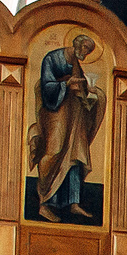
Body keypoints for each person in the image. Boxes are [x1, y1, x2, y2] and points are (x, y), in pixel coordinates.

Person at [32, 33, 101, 222]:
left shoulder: (77, 63)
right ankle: (45, 202)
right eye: (85, 48)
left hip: (75, 112)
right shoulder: (53, 58)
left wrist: (89, 89)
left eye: (89, 50)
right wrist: (64, 85)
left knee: (75, 155)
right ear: (77, 43)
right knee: (54, 151)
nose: (86, 53)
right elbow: (46, 86)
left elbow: (80, 85)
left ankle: (73, 203)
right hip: (56, 111)